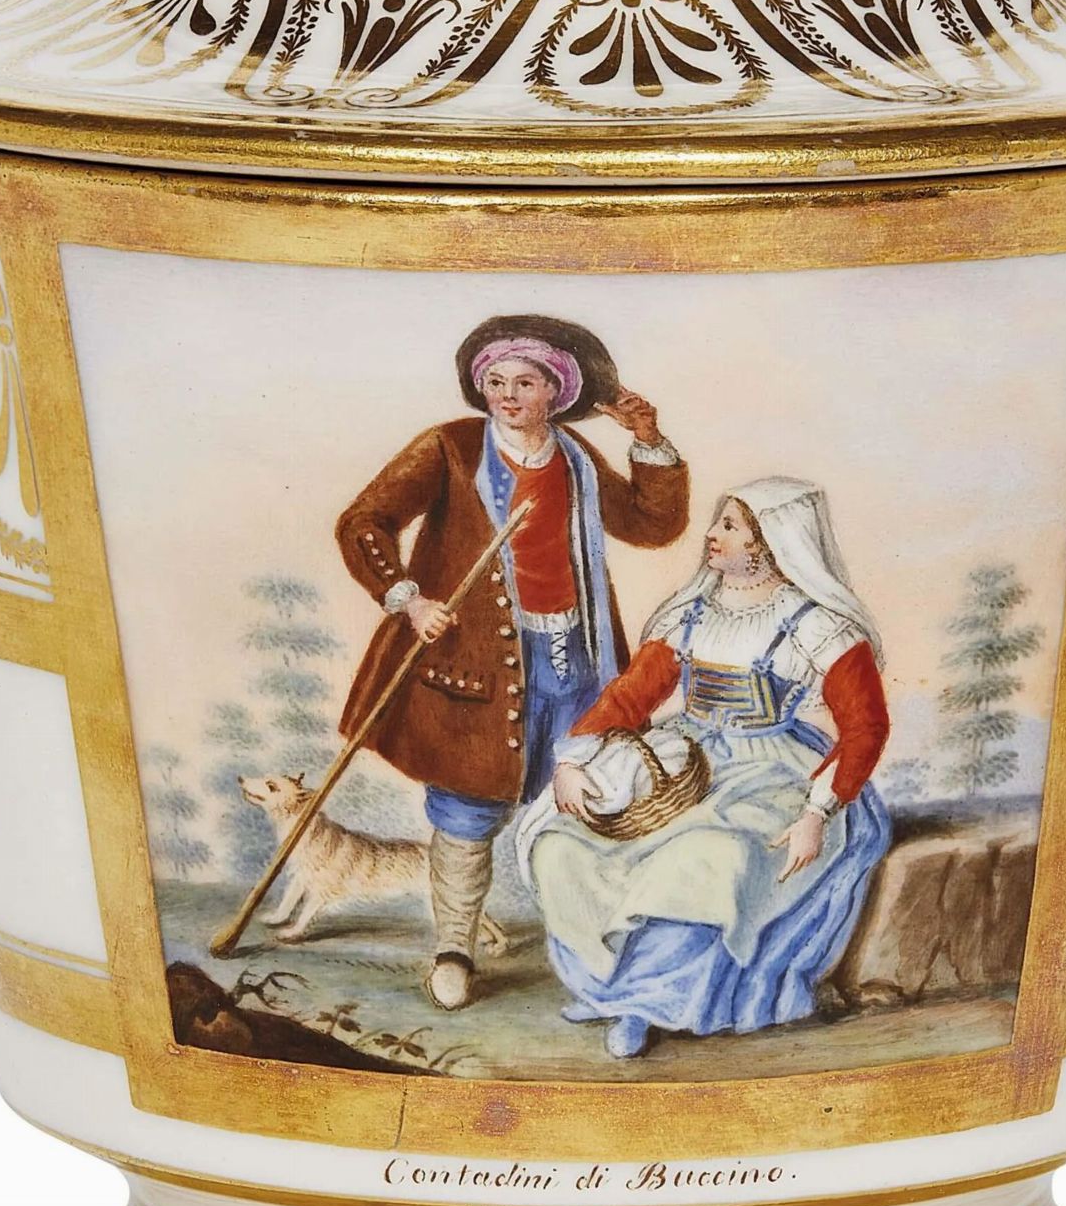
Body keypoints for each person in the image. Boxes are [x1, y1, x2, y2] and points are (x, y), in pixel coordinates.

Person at [334, 313, 691, 1009]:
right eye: (495, 382)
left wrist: (648, 441)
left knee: (589, 795)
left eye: (524, 383)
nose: (506, 395)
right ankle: (453, 948)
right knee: (467, 808)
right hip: (476, 666)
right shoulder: (451, 447)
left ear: (556, 392)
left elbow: (653, 526)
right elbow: (363, 522)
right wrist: (408, 599)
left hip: (577, 657)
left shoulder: (576, 456)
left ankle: (594, 946)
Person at [518, 478, 893, 1059]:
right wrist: (572, 760)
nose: (711, 535)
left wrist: (818, 812)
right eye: (718, 522)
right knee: (562, 843)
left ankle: (648, 1004)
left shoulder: (817, 626)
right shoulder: (692, 614)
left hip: (774, 773)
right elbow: (631, 696)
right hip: (685, 761)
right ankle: (606, 987)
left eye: (729, 526)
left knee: (711, 858)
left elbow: (866, 728)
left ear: (767, 544)